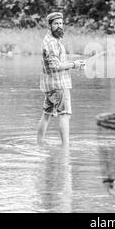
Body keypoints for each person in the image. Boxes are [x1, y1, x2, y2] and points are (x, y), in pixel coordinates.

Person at [37, 12, 85, 146]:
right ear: (50, 25)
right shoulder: (51, 42)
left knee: (46, 115)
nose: (59, 26)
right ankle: (66, 148)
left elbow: (58, 62)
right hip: (58, 86)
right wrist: (74, 65)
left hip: (50, 86)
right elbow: (55, 66)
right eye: (56, 24)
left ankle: (40, 144)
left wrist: (75, 63)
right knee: (64, 115)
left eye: (61, 23)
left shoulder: (53, 40)